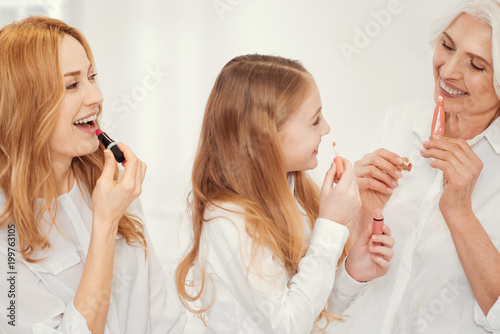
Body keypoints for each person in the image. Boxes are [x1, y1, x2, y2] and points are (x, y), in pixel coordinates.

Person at [176, 54, 395, 333]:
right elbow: (287, 326)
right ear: (267, 136)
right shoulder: (228, 219)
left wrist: (353, 272)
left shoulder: (293, 194)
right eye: (315, 120)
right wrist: (330, 226)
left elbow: (309, 310)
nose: (326, 128)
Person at [0, 17, 185, 333]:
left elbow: (163, 317)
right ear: (25, 106)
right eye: (72, 85)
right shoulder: (7, 230)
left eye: (92, 77)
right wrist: (104, 223)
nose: (96, 97)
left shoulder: (111, 187)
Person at [336, 1, 500, 333]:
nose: (448, 70)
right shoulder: (399, 121)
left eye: (477, 65)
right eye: (447, 45)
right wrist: (357, 216)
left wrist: (459, 212)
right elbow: (336, 297)